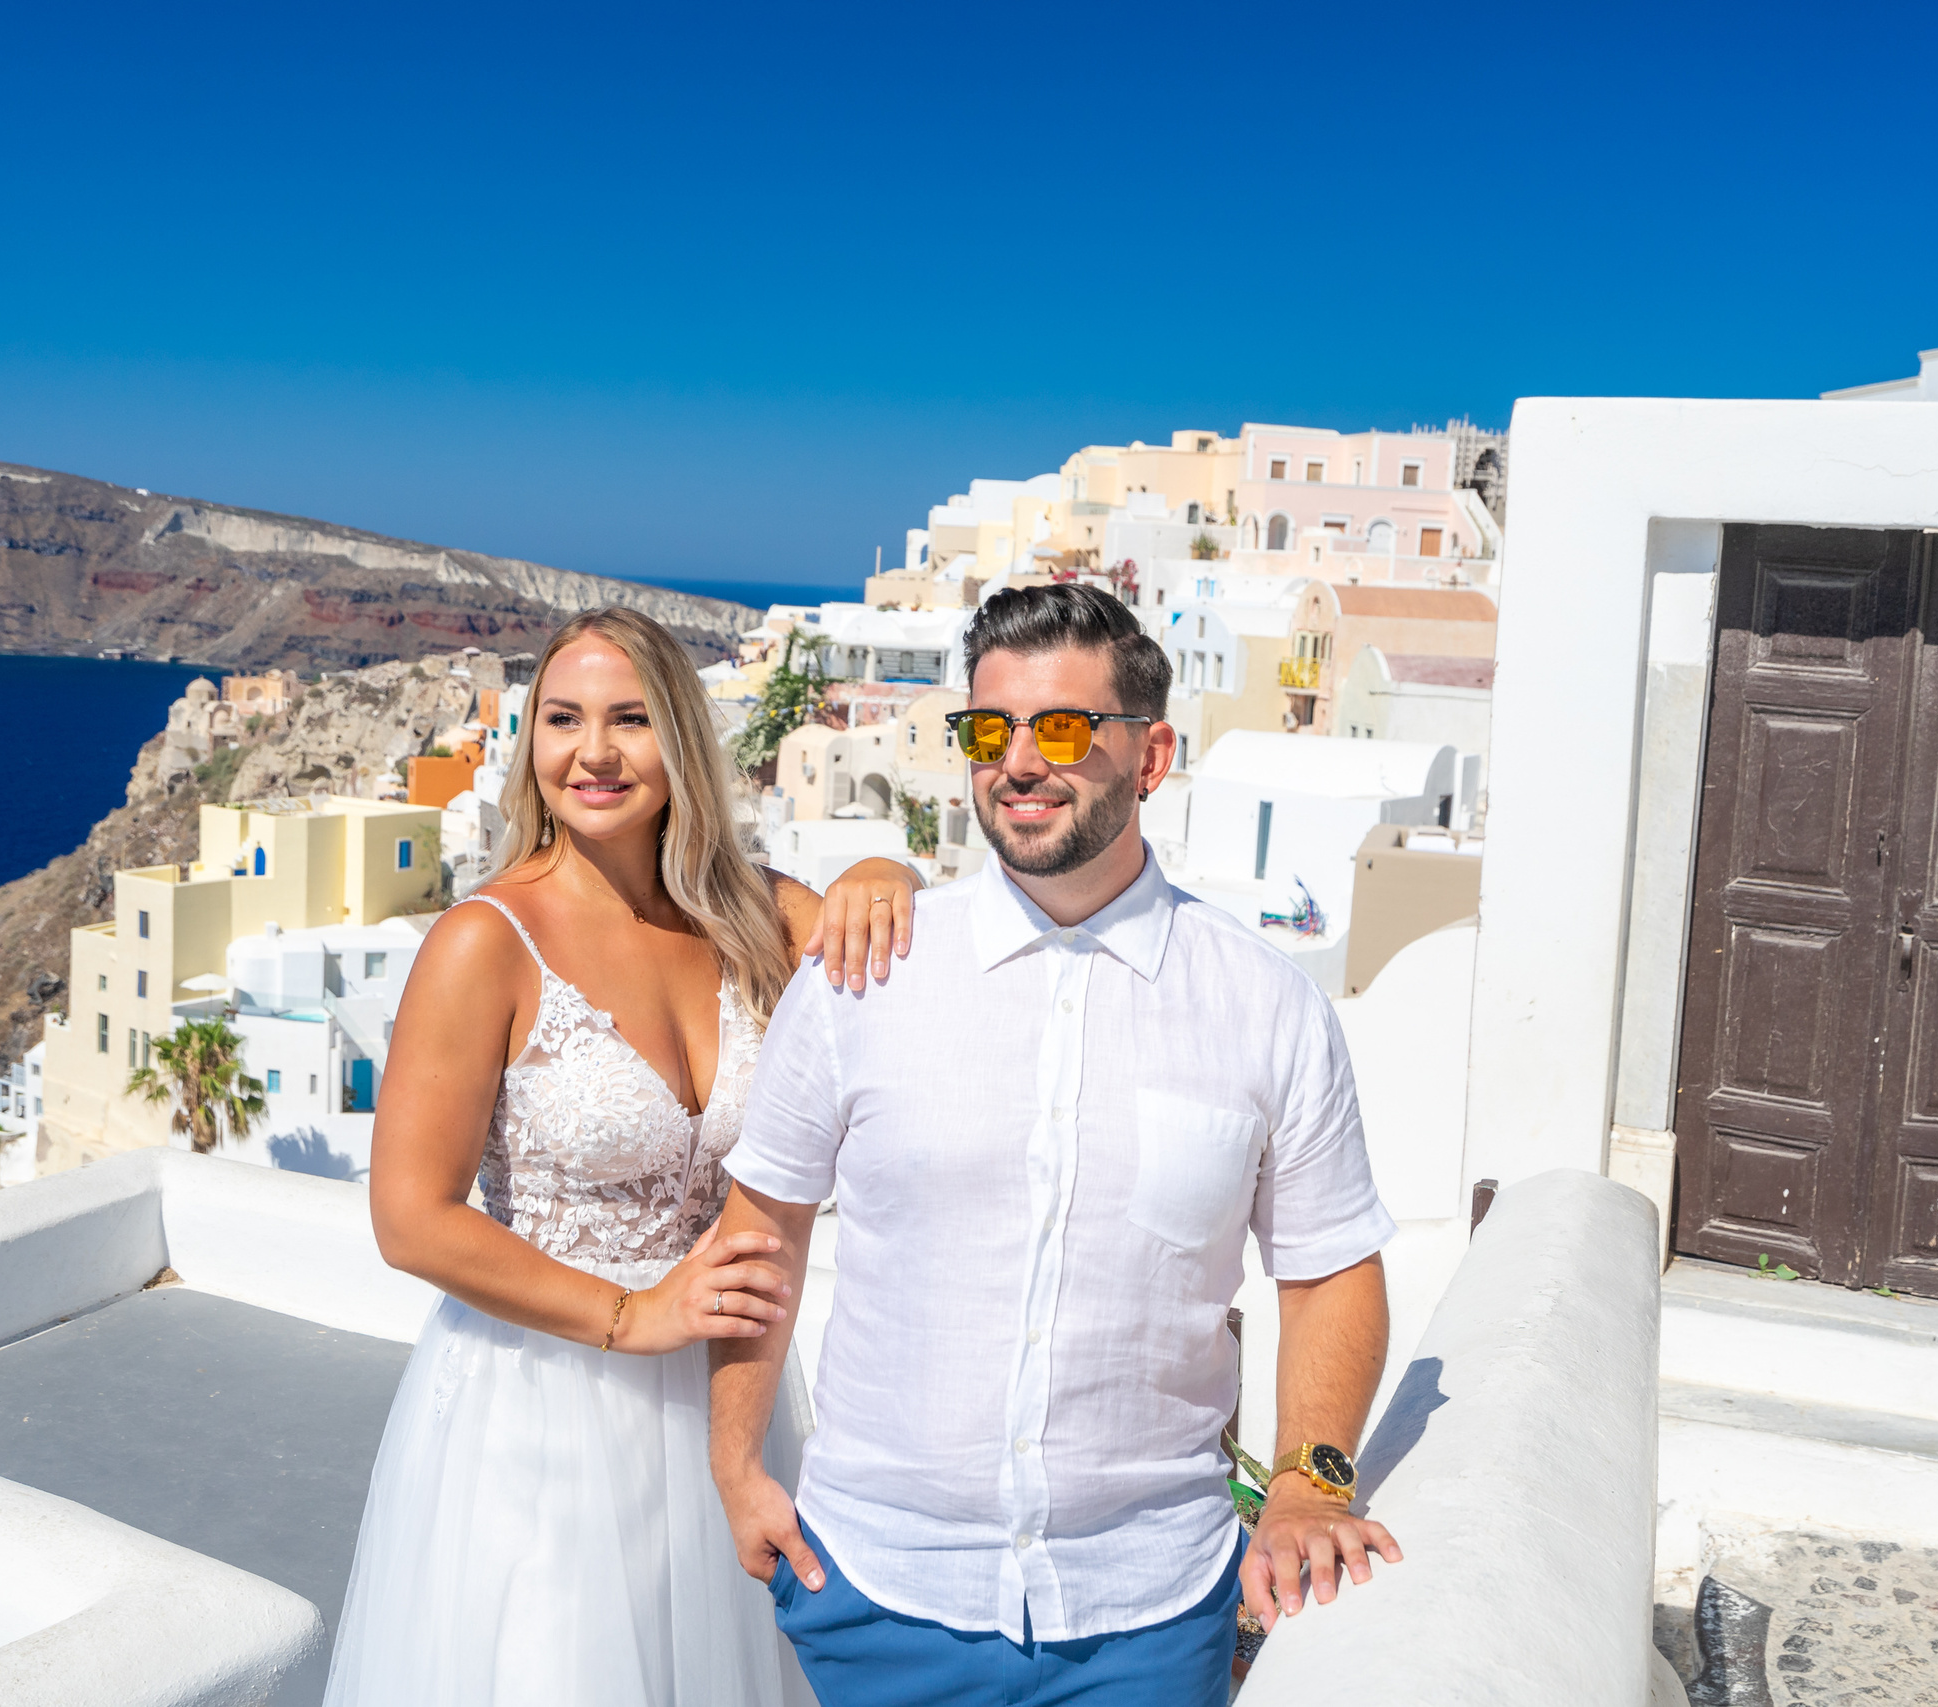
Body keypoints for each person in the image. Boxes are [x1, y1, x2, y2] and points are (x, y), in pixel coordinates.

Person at [709, 583, 1402, 1706]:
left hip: (1145, 1613)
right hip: (873, 1594)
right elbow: (762, 1234)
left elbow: (1328, 1270)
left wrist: (1310, 1484)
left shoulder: (1265, 1007)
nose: (1019, 762)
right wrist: (737, 1467)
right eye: (990, 730)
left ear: (1152, 754)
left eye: (1064, 729)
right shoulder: (861, 978)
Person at [323, 608, 921, 1707]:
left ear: (681, 740)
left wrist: (889, 867)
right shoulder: (483, 942)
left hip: (724, 1403)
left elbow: (910, 970)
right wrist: (632, 1316)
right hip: (543, 1407)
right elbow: (411, 1218)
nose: (592, 752)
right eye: (562, 719)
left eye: (629, 719)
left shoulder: (759, 917)